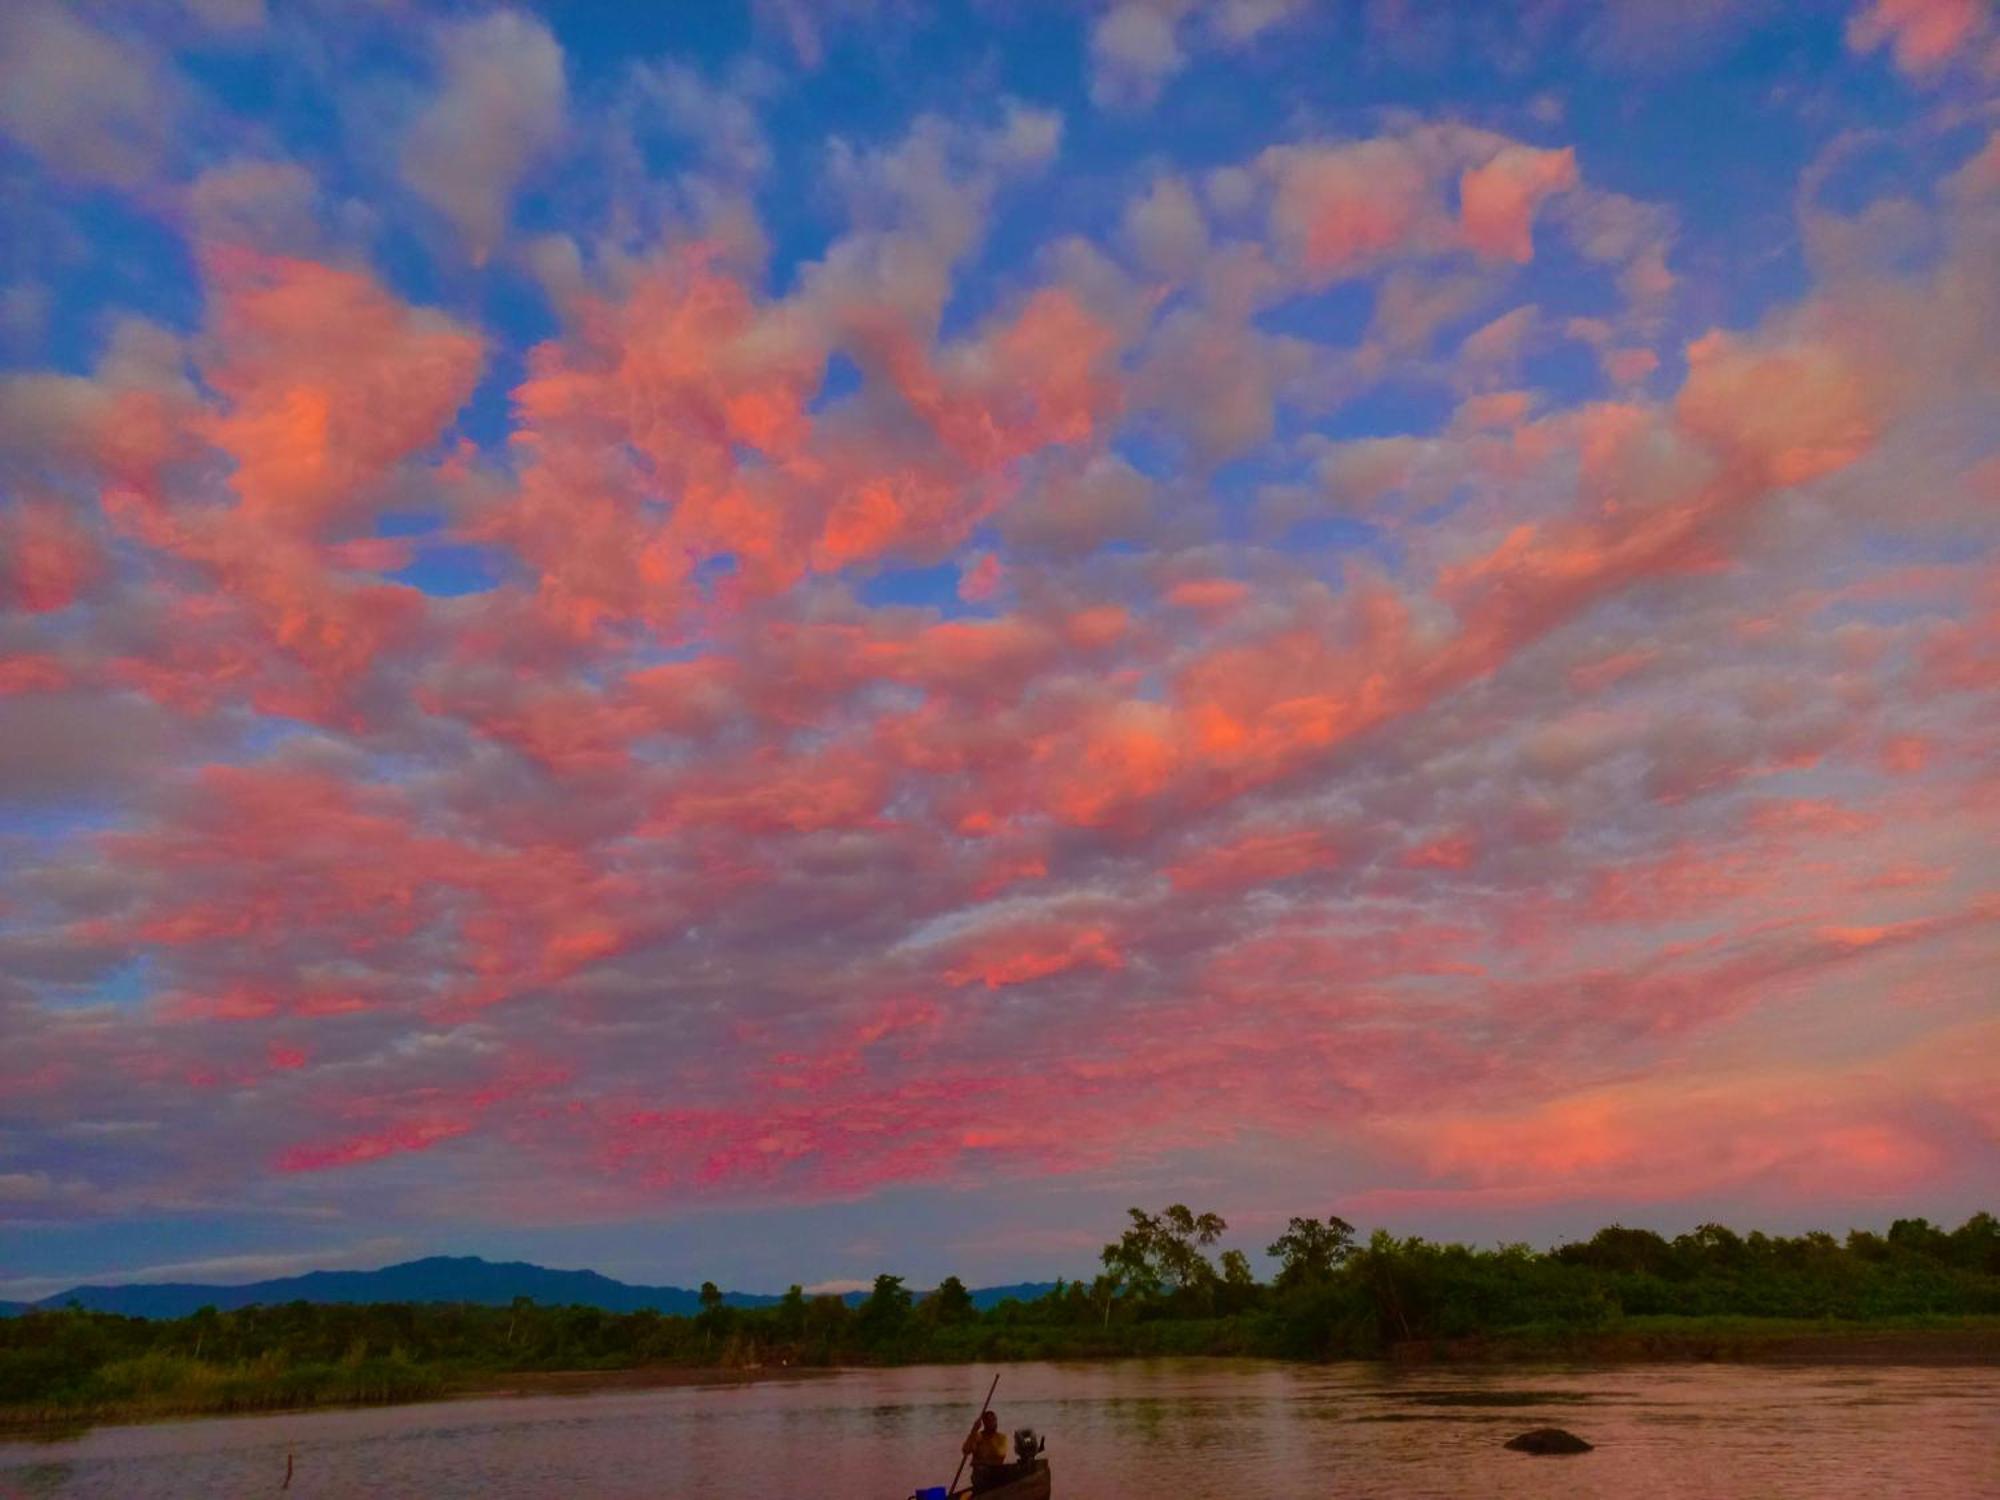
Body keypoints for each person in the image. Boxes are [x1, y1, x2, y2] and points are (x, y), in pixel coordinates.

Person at [961, 1409, 1010, 1491]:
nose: (993, 1423)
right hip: (981, 1474)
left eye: (994, 1420)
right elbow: (966, 1451)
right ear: (984, 1423)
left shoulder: (1002, 1437)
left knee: (1010, 1470)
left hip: (996, 1471)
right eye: (989, 1421)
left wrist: (984, 1460)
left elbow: (1001, 1454)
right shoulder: (978, 1436)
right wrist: (973, 1431)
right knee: (981, 1470)